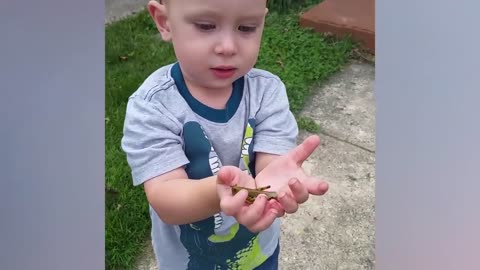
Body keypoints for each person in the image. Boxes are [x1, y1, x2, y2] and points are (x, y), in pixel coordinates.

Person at [121, 0, 329, 269]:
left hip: (258, 253)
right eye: (206, 26)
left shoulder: (267, 92)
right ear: (164, 21)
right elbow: (166, 199)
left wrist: (276, 182)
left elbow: (271, 164)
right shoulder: (153, 107)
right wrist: (218, 192)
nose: (228, 47)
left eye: (246, 27)